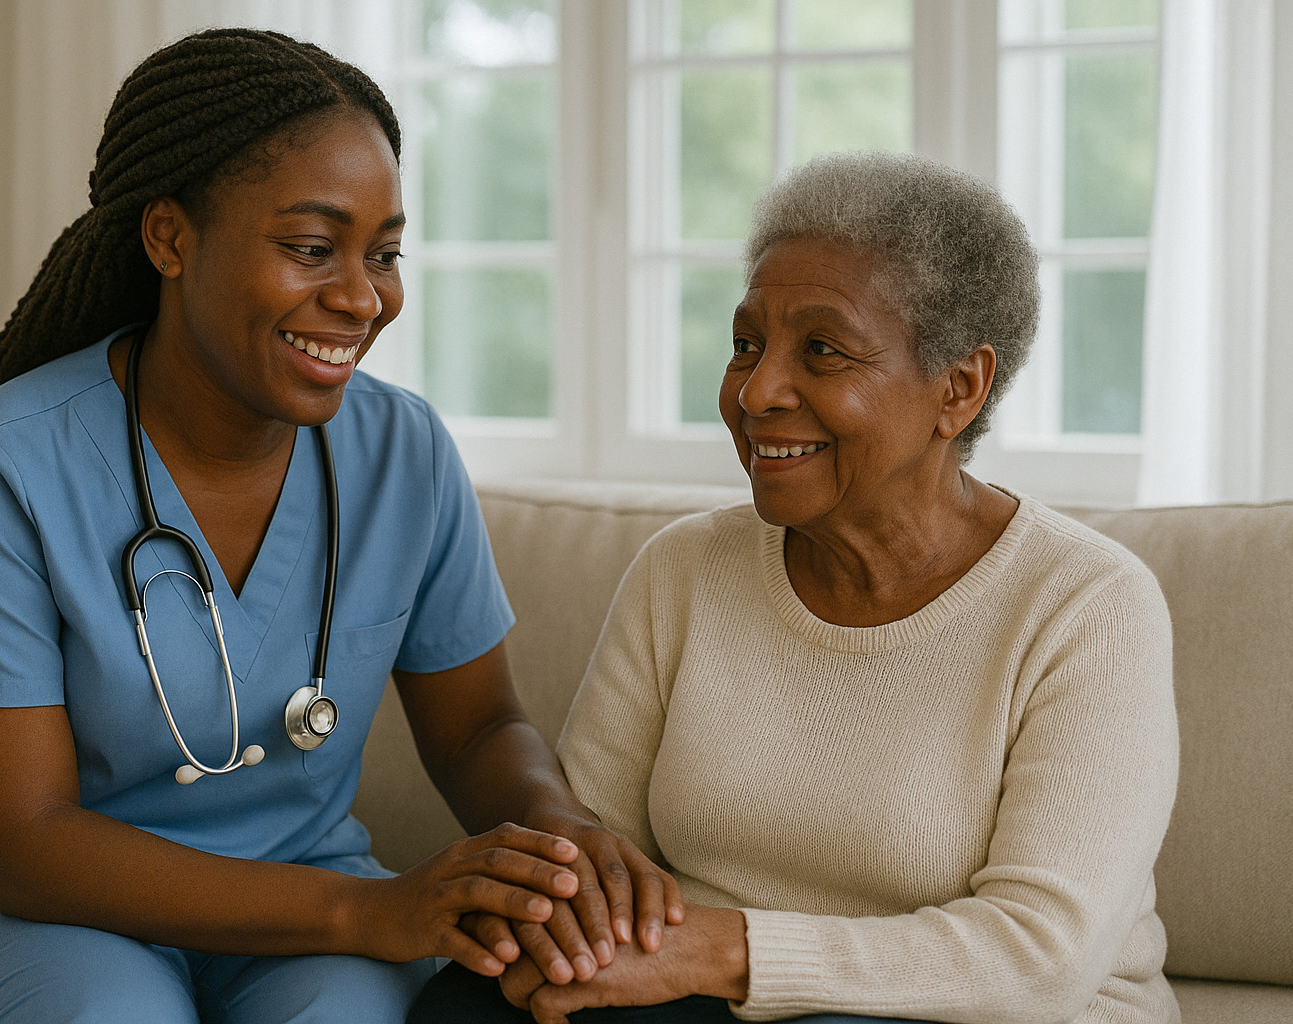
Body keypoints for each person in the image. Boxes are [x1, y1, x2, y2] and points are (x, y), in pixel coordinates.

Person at [0, 28, 679, 1024]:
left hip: (298, 898)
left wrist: (558, 831)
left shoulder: (404, 450)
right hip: (34, 915)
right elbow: (25, 843)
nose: (361, 297)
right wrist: (365, 910)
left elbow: (477, 729)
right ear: (170, 238)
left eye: (383, 254)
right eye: (311, 248)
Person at [408, 152, 1179, 1023]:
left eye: (822, 350)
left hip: (981, 1013)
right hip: (700, 1000)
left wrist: (728, 949)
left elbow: (1039, 959)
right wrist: (562, 932)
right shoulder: (683, 570)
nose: (758, 391)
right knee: (467, 1005)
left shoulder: (1087, 605)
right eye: (747, 345)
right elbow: (594, 855)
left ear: (958, 389)